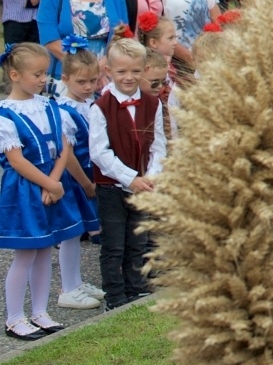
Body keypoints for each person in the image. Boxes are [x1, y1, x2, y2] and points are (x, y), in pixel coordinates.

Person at [0, 42, 86, 339]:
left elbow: (64, 148)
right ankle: (14, 317)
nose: (42, 79)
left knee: (46, 249)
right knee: (25, 253)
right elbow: (16, 160)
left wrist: (56, 181)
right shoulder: (6, 115)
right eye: (37, 74)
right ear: (14, 75)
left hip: (52, 183)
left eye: (45, 73)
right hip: (25, 189)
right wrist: (49, 183)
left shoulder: (51, 107)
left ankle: (40, 311)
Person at [88, 38, 164, 308]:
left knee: (138, 239)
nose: (129, 77)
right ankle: (115, 295)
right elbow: (99, 152)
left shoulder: (153, 105)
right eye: (121, 72)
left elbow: (158, 144)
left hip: (143, 184)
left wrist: (151, 176)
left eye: (135, 71)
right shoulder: (100, 108)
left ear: (144, 69)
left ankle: (136, 287)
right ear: (108, 71)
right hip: (112, 186)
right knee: (114, 244)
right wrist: (130, 177)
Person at [53, 44, 105, 311]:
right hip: (75, 178)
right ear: (65, 79)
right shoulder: (64, 111)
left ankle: (76, 281)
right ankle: (68, 288)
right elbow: (68, 153)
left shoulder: (89, 103)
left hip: (88, 176)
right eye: (81, 81)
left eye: (93, 81)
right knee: (72, 232)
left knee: (79, 230)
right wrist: (85, 183)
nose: (88, 86)